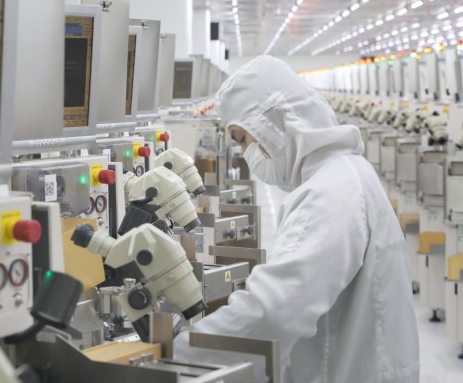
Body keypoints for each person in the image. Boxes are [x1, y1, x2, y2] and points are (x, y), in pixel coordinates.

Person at [173, 56, 419, 383]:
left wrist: (175, 354)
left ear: (273, 123)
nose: (246, 152)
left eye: (243, 139)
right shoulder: (347, 173)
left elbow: (272, 313)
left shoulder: (330, 194)